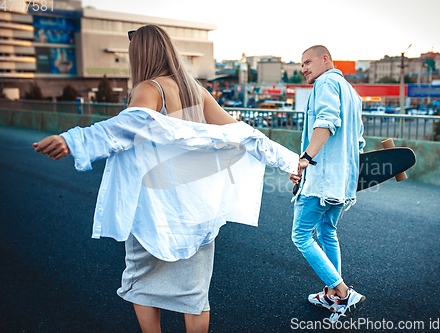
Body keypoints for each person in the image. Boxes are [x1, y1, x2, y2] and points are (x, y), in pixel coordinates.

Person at [33, 25, 298, 333]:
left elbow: (127, 128)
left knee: (142, 283)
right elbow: (243, 134)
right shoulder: (197, 91)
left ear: (141, 54)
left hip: (156, 210)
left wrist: (74, 141)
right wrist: (291, 161)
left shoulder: (149, 88)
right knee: (195, 294)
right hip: (197, 209)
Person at [289, 45, 366, 323]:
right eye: (301, 65)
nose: (304, 69)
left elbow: (327, 121)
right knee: (327, 232)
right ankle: (334, 295)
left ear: (325, 59)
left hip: (322, 182)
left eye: (308, 62)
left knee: (300, 236)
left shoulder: (325, 82)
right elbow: (358, 140)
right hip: (342, 182)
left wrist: (305, 158)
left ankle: (344, 293)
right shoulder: (351, 92)